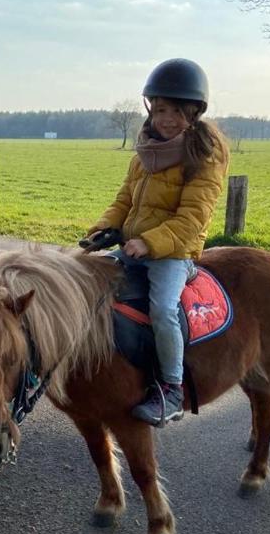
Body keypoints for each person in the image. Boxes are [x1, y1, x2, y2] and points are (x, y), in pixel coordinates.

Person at [86, 58, 230, 426]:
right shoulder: (145, 154)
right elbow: (124, 201)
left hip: (172, 255)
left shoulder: (203, 157)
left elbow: (192, 218)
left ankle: (171, 389)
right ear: (151, 109)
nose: (167, 119)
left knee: (163, 310)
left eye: (178, 112)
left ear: (195, 113)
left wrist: (149, 243)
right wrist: (104, 228)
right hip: (134, 247)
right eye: (162, 109)